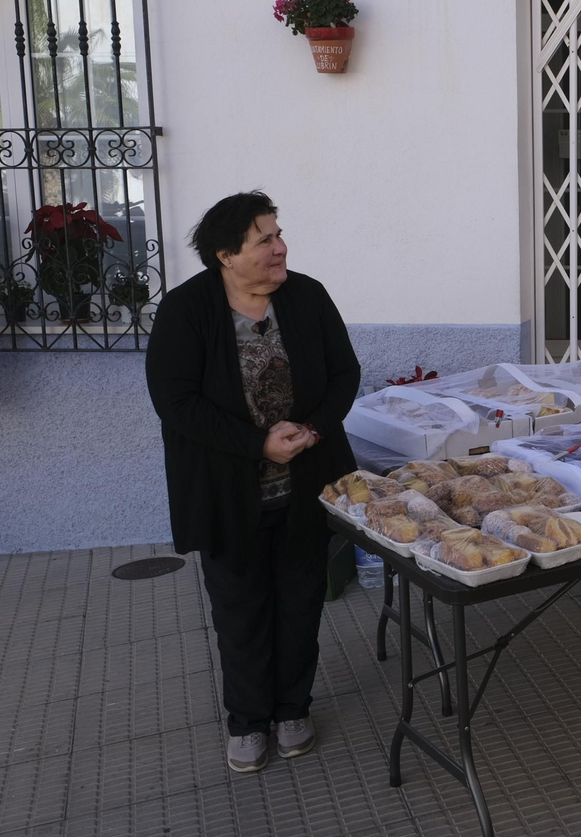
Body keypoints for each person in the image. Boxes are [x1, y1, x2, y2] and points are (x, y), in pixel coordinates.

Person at [146, 191, 360, 773]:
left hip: (305, 490)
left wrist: (313, 429)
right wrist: (256, 443)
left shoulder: (307, 296)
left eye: (278, 233)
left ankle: (293, 709)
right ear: (224, 254)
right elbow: (176, 402)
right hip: (227, 496)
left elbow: (345, 373)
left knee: (299, 605)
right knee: (241, 613)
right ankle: (246, 720)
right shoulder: (186, 310)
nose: (279, 246)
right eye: (263, 239)